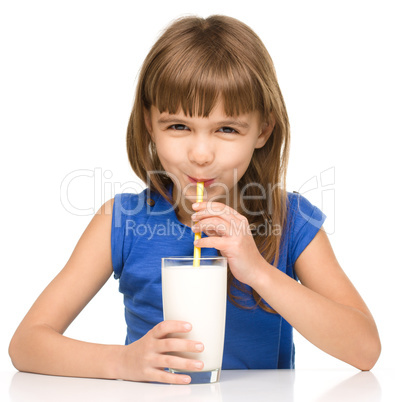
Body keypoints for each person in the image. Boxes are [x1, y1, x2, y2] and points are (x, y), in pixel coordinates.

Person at [9, 15, 381, 385]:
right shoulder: (121, 221)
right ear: (149, 124)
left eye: (227, 129)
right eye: (178, 126)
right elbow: (26, 344)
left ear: (263, 130)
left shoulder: (291, 222)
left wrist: (258, 271)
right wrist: (122, 362)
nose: (201, 154)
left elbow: (364, 349)